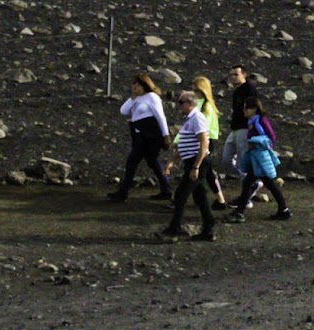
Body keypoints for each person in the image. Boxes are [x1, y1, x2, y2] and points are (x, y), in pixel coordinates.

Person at [165, 81, 223, 240]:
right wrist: (173, 161)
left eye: (181, 103)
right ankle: (208, 229)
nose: (179, 106)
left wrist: (196, 167)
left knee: (181, 195)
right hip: (193, 161)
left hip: (198, 162)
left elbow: (204, 142)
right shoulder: (190, 119)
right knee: (200, 196)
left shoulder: (197, 118)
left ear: (190, 104)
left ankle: (173, 230)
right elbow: (186, 144)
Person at [110, 70, 169, 200]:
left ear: (144, 85)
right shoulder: (136, 98)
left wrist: (166, 135)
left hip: (149, 135)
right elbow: (123, 111)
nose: (134, 87)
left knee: (132, 161)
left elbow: (160, 116)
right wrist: (132, 97)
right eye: (133, 85)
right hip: (138, 134)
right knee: (152, 162)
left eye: (137, 85)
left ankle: (123, 192)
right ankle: (166, 189)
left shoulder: (152, 97)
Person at [230, 98, 291, 220]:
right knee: (264, 183)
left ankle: (240, 212)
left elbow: (271, 136)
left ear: (254, 109)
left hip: (260, 157)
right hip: (257, 157)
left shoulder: (260, 121)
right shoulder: (254, 121)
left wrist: (256, 142)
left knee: (251, 183)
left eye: (246, 108)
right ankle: (283, 209)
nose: (244, 111)